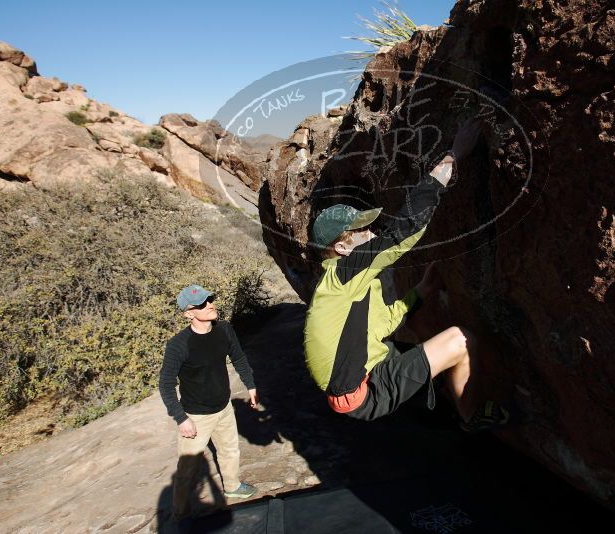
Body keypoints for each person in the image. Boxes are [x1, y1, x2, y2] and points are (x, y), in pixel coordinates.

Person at [304, 119, 510, 430]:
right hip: (362, 392)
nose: (371, 231)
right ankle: (472, 417)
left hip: (365, 372)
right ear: (344, 247)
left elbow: (383, 323)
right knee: (461, 340)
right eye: (361, 230)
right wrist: (454, 154)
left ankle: (452, 399)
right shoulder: (347, 271)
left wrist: (421, 291)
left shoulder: (344, 283)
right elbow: (404, 228)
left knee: (430, 352)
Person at [159, 284, 259, 519]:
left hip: (224, 407)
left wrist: (250, 385)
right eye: (202, 303)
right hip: (196, 415)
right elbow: (165, 384)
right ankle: (180, 512)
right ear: (188, 313)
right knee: (188, 468)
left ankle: (232, 487)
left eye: (210, 299)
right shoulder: (178, 345)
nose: (210, 304)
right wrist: (181, 418)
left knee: (230, 450)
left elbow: (238, 357)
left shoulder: (224, 330)